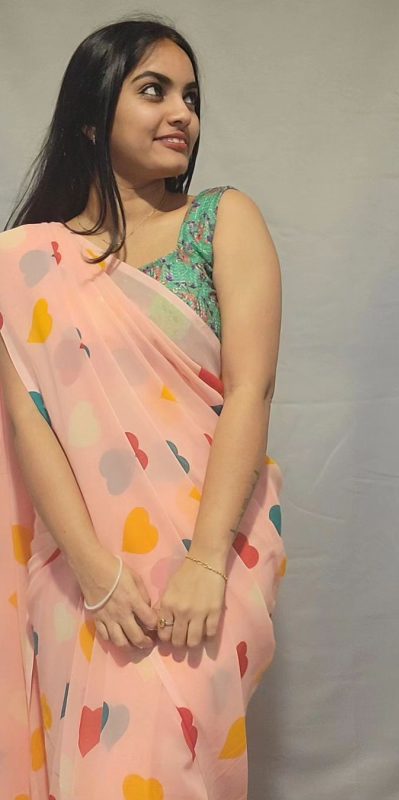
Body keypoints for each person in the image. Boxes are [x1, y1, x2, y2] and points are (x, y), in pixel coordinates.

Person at [0, 15, 287, 800]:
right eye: (154, 90)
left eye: (191, 97)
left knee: (167, 766)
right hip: (83, 571)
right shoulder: (25, 262)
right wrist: (96, 573)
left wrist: (206, 560)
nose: (182, 113)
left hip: (213, 552)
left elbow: (251, 391)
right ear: (92, 116)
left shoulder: (222, 220)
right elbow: (31, 424)